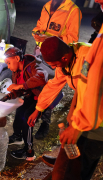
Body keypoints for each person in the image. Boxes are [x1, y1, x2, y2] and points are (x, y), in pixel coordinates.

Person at [51, 1, 103, 179]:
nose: (96, 1)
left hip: (94, 130)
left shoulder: (82, 57)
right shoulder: (96, 42)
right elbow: (82, 91)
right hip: (86, 124)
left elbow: (95, 88)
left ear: (65, 57)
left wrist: (76, 126)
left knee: (72, 173)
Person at [27, 36, 91, 165]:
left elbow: (92, 92)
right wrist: (38, 109)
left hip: (95, 106)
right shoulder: (66, 62)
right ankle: (65, 160)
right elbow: (54, 85)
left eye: (55, 65)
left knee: (88, 145)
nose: (55, 68)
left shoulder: (87, 58)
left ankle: (75, 165)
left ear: (64, 58)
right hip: (84, 99)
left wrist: (77, 124)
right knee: (70, 131)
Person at [32, 0, 82, 136]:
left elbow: (72, 38)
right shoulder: (47, 6)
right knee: (44, 84)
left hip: (58, 52)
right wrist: (37, 34)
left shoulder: (73, 10)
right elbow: (39, 26)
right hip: (46, 52)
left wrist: (50, 38)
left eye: (55, 66)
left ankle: (45, 123)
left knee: (47, 83)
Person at [3, 47, 51, 160]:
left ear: (17, 58)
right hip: (30, 96)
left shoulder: (32, 66)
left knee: (27, 119)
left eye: (9, 63)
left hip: (41, 98)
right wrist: (10, 95)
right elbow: (20, 89)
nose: (8, 67)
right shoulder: (15, 72)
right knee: (19, 112)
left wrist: (21, 86)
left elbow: (42, 76)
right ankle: (18, 136)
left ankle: (29, 151)